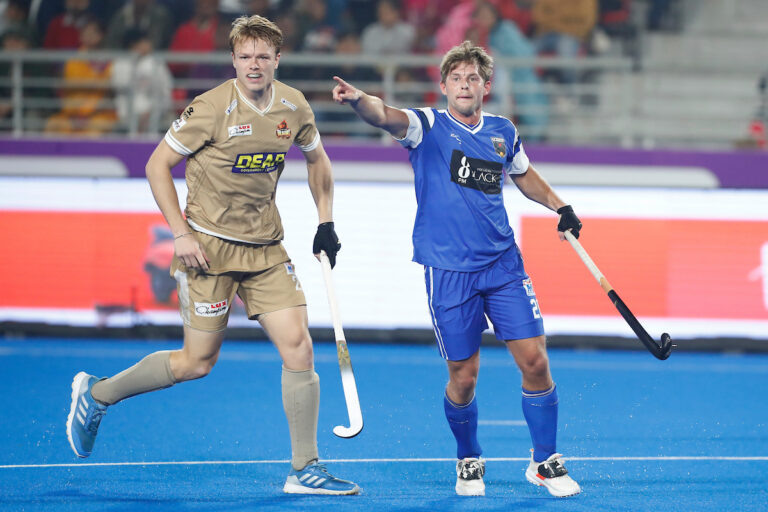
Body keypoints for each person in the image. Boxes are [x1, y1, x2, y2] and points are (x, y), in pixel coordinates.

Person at [66, 14, 360, 496]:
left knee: (299, 346)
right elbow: (157, 165)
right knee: (196, 362)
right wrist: (180, 234)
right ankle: (96, 394)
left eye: (263, 56)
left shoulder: (295, 106)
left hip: (266, 248)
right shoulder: (210, 108)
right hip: (207, 250)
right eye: (245, 56)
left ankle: (304, 469)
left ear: (277, 59)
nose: (254, 65)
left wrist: (326, 220)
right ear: (233, 59)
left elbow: (318, 160)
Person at [332, 40, 582, 497]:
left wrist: (559, 205)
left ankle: (544, 460)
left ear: (486, 87)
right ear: (443, 84)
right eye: (456, 78)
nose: (464, 85)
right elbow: (385, 115)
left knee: (536, 361)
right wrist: (358, 101)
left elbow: (523, 173)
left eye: (473, 79)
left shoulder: (503, 130)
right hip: (448, 273)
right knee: (463, 377)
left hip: (504, 266)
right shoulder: (427, 126)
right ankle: (469, 457)